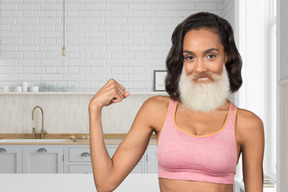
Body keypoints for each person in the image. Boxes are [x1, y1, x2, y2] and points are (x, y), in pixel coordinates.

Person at [89, 12, 264, 192]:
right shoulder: (156, 110)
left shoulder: (247, 124)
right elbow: (105, 183)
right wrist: (94, 109)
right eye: (190, 57)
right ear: (182, 61)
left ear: (226, 56)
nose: (200, 68)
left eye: (210, 56)